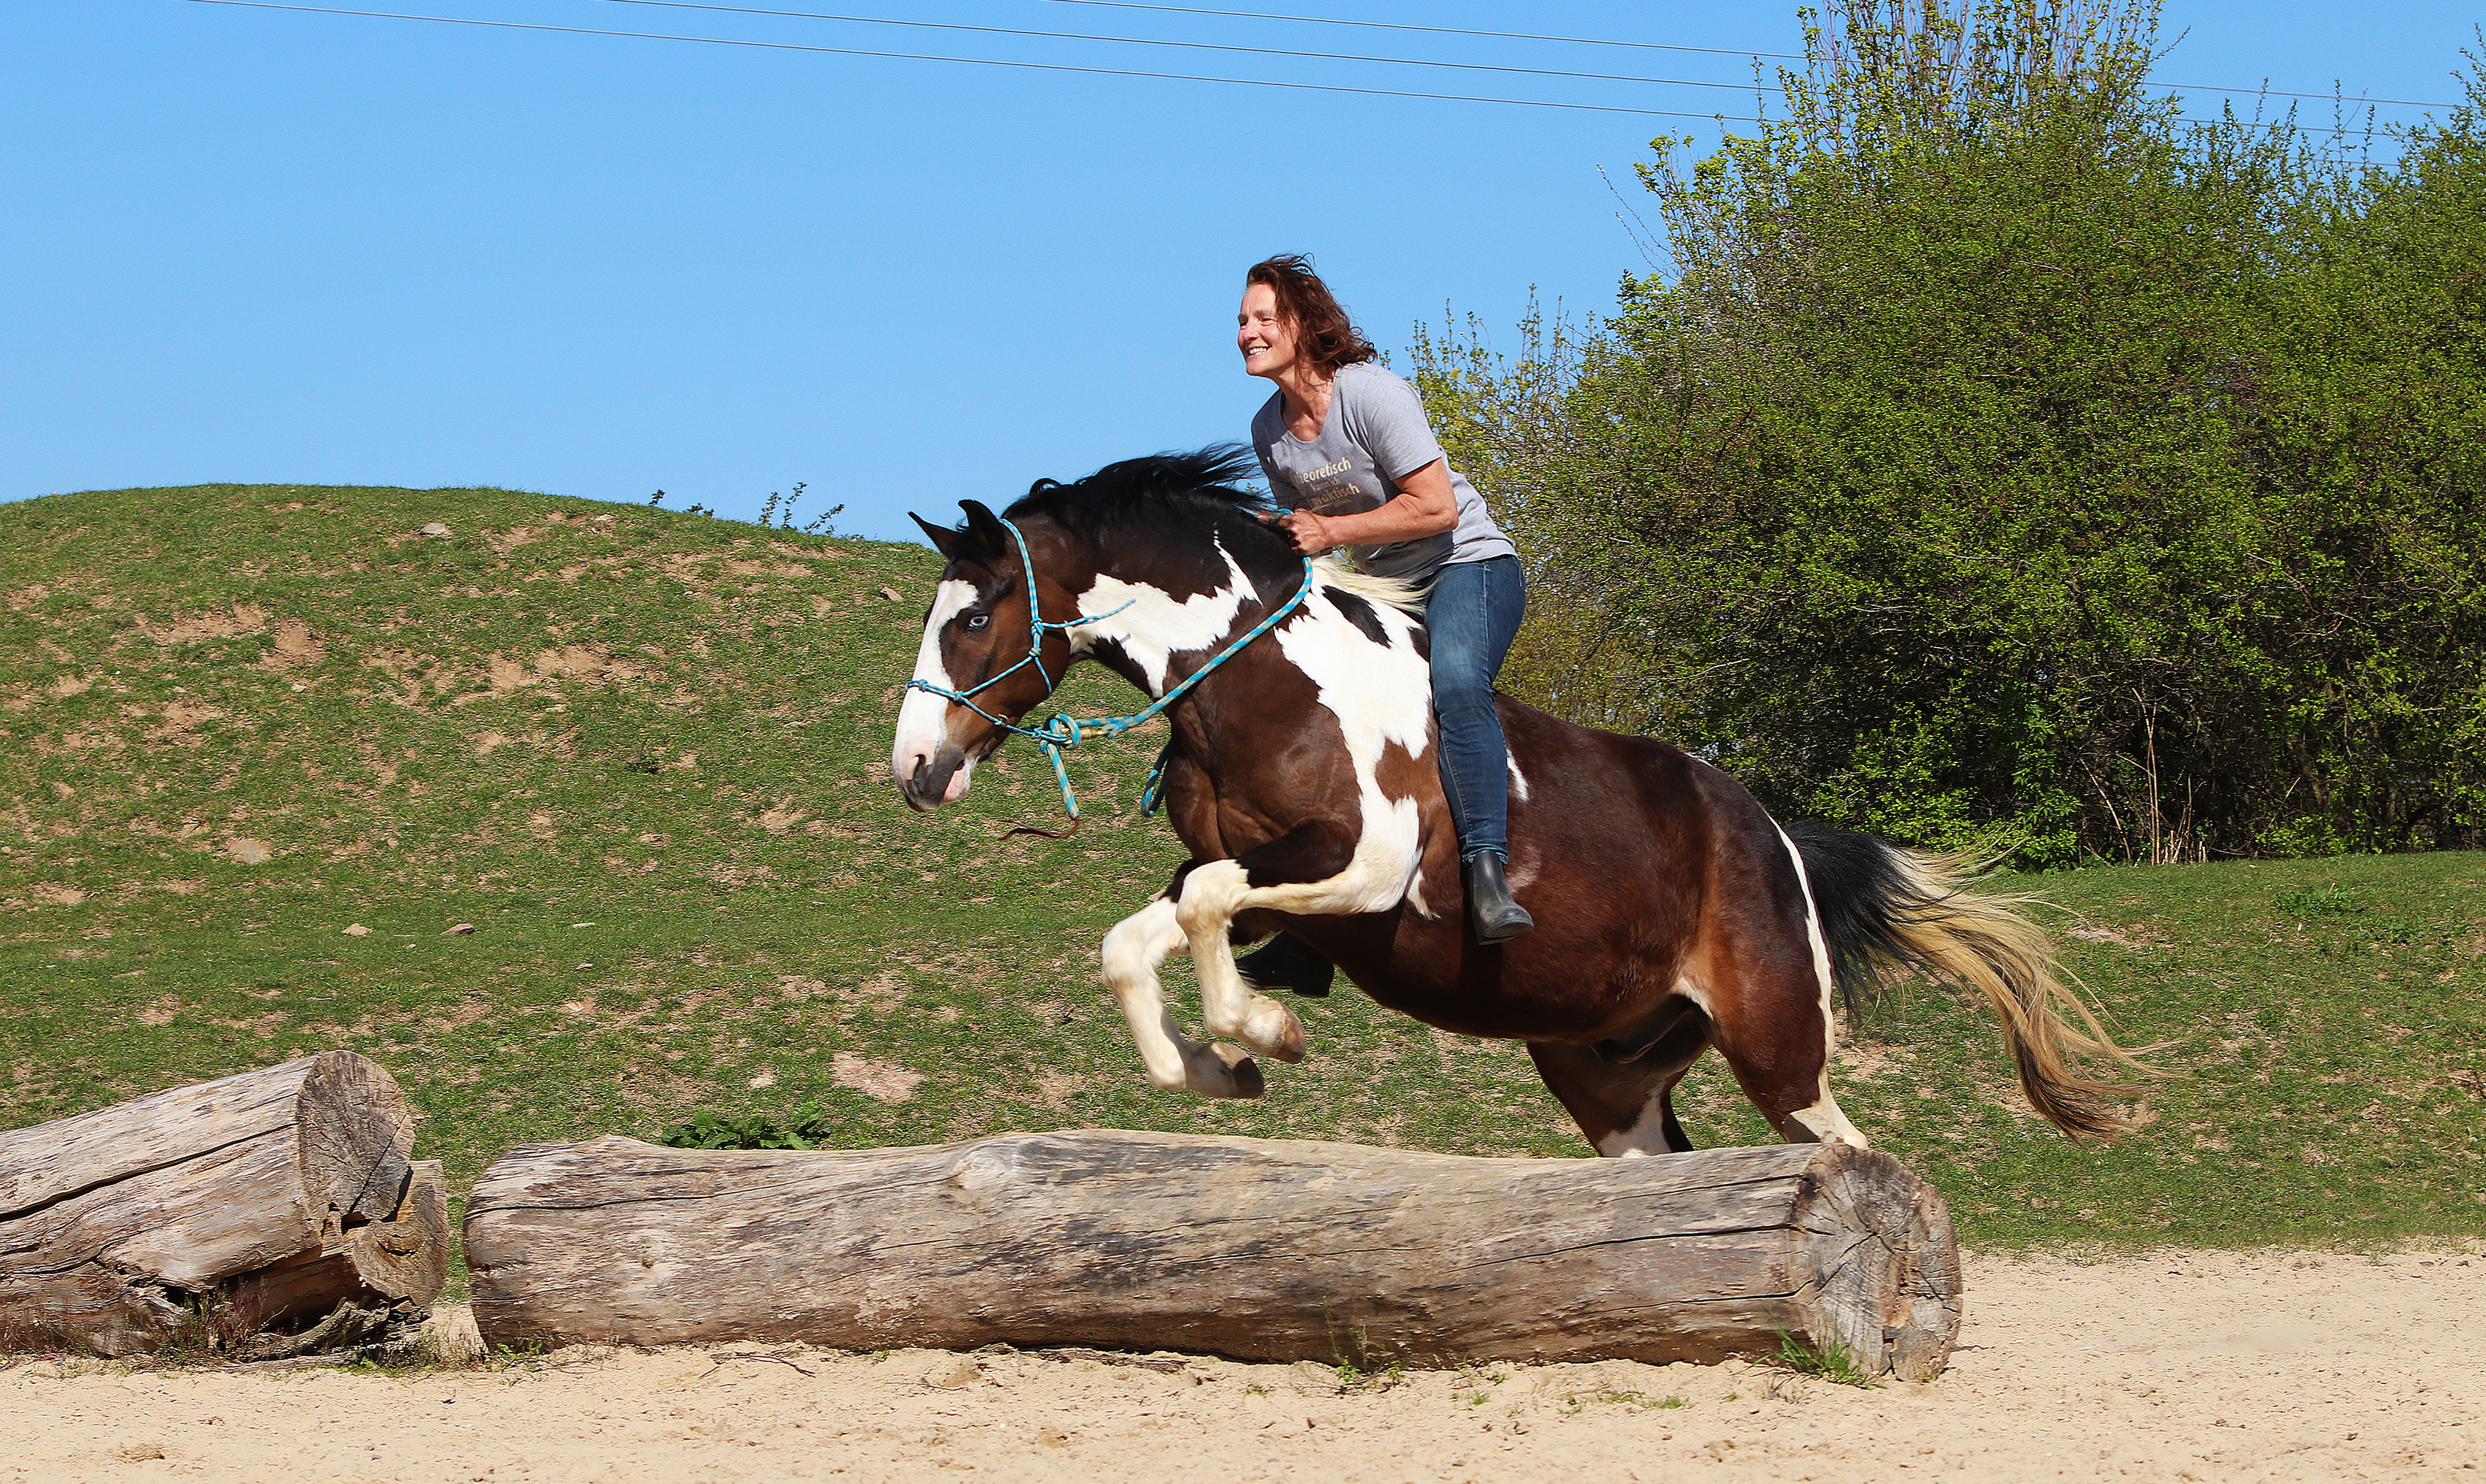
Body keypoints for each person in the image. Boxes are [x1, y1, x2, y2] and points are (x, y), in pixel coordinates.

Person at [1236, 253, 1533, 949]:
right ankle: (1313, 920)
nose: (1247, 333)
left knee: (1457, 684)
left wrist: (1329, 529)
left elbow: (1433, 510)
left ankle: (1487, 876)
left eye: (1263, 319)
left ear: (1303, 325)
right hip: (1386, 585)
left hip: (1468, 564)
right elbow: (1308, 540)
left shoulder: (1371, 394)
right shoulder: (1267, 430)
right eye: (1241, 321)